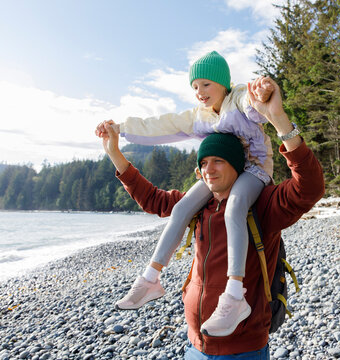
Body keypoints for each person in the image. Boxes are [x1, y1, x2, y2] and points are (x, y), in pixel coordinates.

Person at [96, 76, 325, 358]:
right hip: (196, 343)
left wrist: (278, 119)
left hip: (243, 349)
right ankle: (149, 281)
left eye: (219, 161)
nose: (209, 170)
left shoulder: (263, 205)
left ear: (237, 165)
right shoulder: (199, 206)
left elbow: (310, 188)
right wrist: (115, 153)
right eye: (203, 163)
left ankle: (233, 296)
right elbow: (153, 199)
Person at [95, 50, 276, 336]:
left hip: (253, 169)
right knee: (180, 209)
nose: (199, 92)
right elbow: (162, 124)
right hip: (221, 171)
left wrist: (261, 93)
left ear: (223, 83)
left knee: (235, 207)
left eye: (205, 84)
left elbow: (253, 104)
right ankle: (151, 279)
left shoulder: (237, 99)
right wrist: (120, 129)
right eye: (194, 87)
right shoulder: (199, 117)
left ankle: (234, 294)